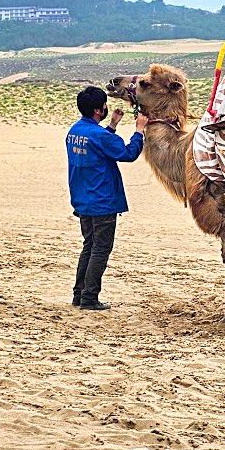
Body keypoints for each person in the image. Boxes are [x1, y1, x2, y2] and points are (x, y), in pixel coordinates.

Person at [67, 86, 147, 310]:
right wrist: (139, 131)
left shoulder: (75, 131)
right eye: (103, 106)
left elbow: (99, 147)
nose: (106, 108)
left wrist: (111, 126)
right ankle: (90, 297)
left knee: (89, 246)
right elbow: (128, 154)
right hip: (102, 201)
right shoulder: (98, 135)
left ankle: (79, 294)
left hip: (83, 199)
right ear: (97, 110)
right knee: (100, 250)